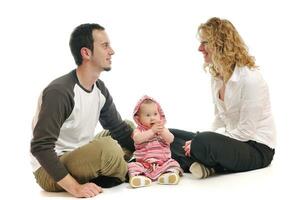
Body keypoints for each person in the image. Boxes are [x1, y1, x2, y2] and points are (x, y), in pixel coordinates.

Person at [30, 23, 135, 198]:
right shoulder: (60, 92)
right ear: (86, 53)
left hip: (82, 151)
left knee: (128, 128)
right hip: (50, 170)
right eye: (105, 46)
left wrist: (152, 145)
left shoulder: (99, 88)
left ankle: (125, 166)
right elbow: (40, 147)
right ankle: (131, 169)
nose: (112, 51)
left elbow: (119, 129)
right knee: (108, 148)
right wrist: (75, 188)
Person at [170, 17, 276, 179]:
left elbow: (246, 132)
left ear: (220, 45)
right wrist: (204, 139)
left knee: (201, 142)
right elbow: (219, 119)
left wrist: (201, 141)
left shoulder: (250, 79)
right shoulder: (217, 77)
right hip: (231, 140)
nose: (200, 48)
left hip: (256, 148)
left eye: (204, 43)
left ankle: (195, 160)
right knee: (167, 135)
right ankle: (198, 165)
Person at [128, 96, 183, 188]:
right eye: (148, 115)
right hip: (144, 164)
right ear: (139, 119)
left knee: (174, 164)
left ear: (160, 115)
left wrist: (162, 132)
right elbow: (137, 139)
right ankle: (140, 178)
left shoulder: (162, 129)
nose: (152, 118)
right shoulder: (139, 130)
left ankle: (168, 175)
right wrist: (152, 131)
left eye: (155, 114)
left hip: (163, 163)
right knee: (131, 166)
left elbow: (171, 139)